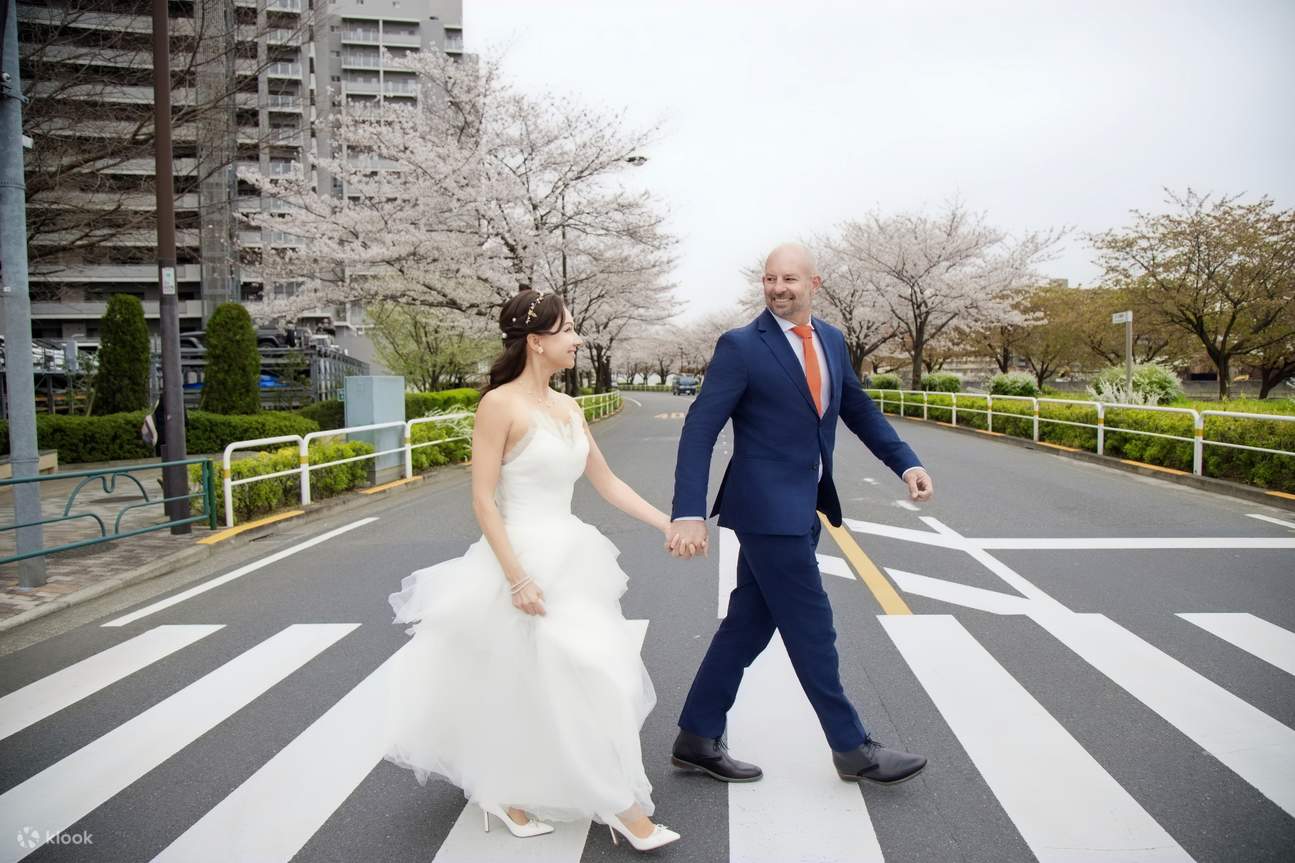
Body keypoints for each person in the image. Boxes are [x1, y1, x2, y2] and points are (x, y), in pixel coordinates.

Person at [382, 288, 681, 852]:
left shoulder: (569, 407)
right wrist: (517, 578)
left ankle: (508, 791)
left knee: (579, 679)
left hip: (572, 559)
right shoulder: (499, 406)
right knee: (572, 678)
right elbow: (483, 501)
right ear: (537, 341)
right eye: (568, 330)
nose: (578, 339)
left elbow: (607, 483)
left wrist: (666, 523)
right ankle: (623, 811)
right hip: (519, 562)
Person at [665, 242, 934, 787]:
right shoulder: (741, 346)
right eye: (770, 278)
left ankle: (696, 736)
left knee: (748, 624)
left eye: (789, 279)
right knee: (813, 627)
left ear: (814, 284)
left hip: (806, 505)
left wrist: (905, 463)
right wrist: (688, 511)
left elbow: (857, 408)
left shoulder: (831, 340)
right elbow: (700, 428)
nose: (777, 288)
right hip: (765, 511)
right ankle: (852, 748)